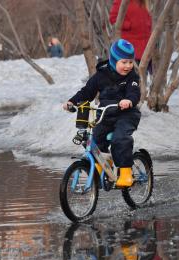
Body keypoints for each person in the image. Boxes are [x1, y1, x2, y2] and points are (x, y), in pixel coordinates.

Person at [63, 39, 141, 188]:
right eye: (124, 62)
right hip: (105, 114)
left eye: (130, 62)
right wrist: (72, 102)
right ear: (114, 60)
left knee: (120, 139)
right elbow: (87, 92)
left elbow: (134, 92)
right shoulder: (101, 75)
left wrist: (129, 100)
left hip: (126, 114)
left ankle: (125, 173)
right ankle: (101, 169)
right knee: (96, 140)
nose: (128, 66)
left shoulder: (131, 77)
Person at [109, 0, 152, 64]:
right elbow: (113, 18)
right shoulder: (120, 1)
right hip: (130, 43)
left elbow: (147, 17)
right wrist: (129, 25)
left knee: (143, 71)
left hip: (145, 44)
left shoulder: (143, 1)